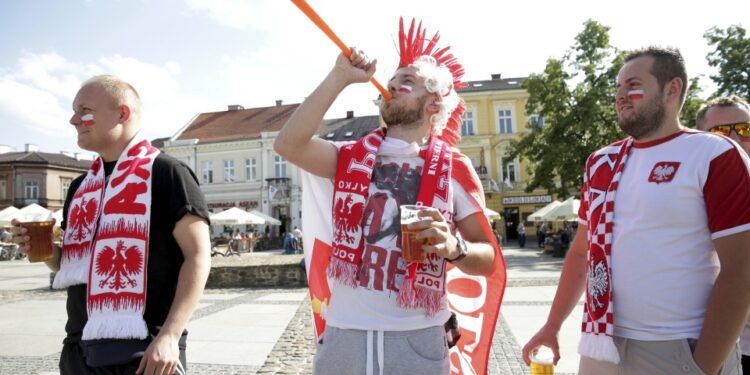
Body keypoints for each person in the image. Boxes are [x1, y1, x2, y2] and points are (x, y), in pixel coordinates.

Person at [274, 18, 500, 374]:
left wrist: (453, 247)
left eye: (407, 81)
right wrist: (339, 77)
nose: (393, 83)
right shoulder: (348, 156)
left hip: (418, 336)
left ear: (434, 105)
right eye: (392, 80)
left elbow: (488, 259)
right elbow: (288, 144)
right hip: (344, 334)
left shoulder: (454, 167)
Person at [521, 47, 750, 374]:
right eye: (617, 88)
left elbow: (741, 271)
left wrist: (704, 366)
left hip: (679, 347)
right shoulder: (601, 161)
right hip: (602, 344)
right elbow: (581, 254)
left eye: (633, 85)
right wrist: (552, 326)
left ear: (672, 89)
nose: (621, 96)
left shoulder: (714, 154)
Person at [11, 75, 211, 375]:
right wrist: (45, 250)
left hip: (145, 348)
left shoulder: (167, 172)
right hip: (80, 346)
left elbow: (198, 256)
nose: (73, 120)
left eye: (84, 110)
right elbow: (73, 266)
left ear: (122, 113)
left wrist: (169, 336)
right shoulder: (81, 186)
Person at [696, 95, 750, 374]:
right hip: (713, 351)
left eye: (744, 130)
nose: (734, 139)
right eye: (719, 133)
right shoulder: (686, 197)